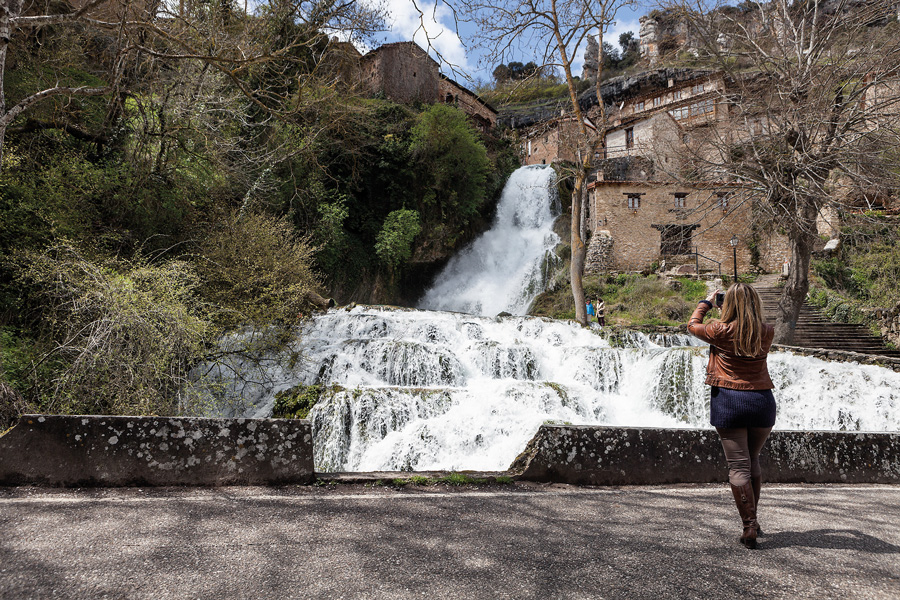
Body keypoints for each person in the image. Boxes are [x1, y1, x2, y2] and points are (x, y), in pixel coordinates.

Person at [687, 283, 776, 550]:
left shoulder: (719, 330)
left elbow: (692, 325)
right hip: (761, 401)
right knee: (752, 460)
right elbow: (747, 328)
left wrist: (706, 303)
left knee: (738, 467)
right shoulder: (767, 331)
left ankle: (749, 526)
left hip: (729, 401)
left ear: (729, 304)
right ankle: (753, 522)